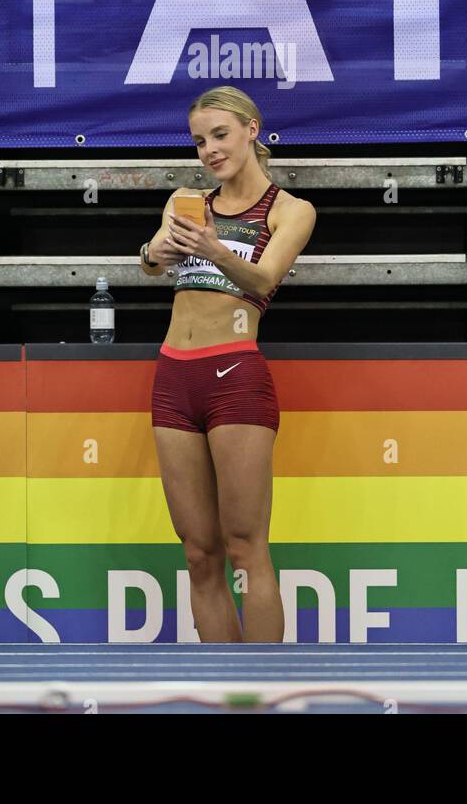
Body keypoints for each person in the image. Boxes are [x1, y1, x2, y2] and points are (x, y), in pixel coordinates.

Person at [142, 86, 316, 643]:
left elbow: (265, 279)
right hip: (174, 375)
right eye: (199, 141)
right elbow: (147, 262)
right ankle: (224, 694)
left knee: (244, 547)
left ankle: (261, 692)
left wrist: (213, 248)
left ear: (251, 130)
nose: (210, 150)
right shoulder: (184, 202)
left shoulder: (291, 210)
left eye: (220, 134)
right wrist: (156, 254)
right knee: (198, 552)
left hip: (234, 375)